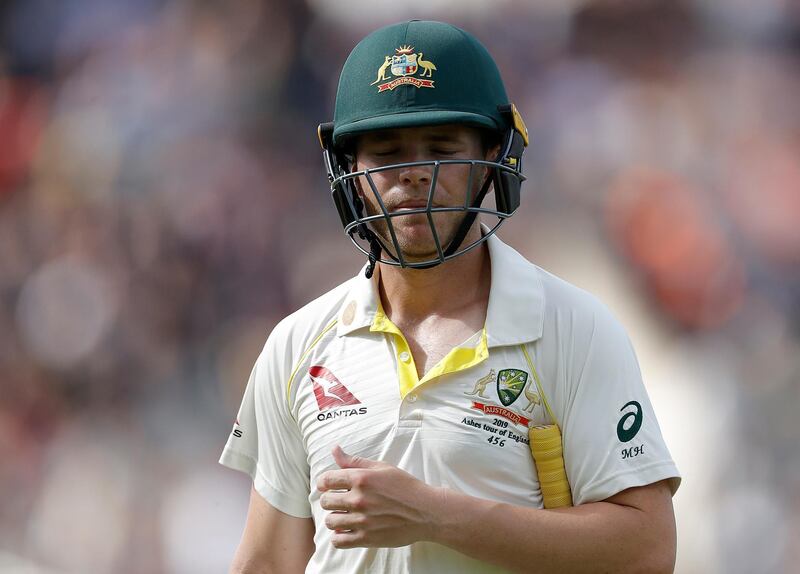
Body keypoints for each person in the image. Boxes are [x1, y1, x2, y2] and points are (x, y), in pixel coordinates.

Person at [220, 20, 680, 574]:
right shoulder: (298, 344)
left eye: (441, 147)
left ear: (492, 153)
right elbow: (268, 562)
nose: (413, 174)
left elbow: (647, 549)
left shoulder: (573, 328)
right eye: (387, 153)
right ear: (350, 171)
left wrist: (436, 516)